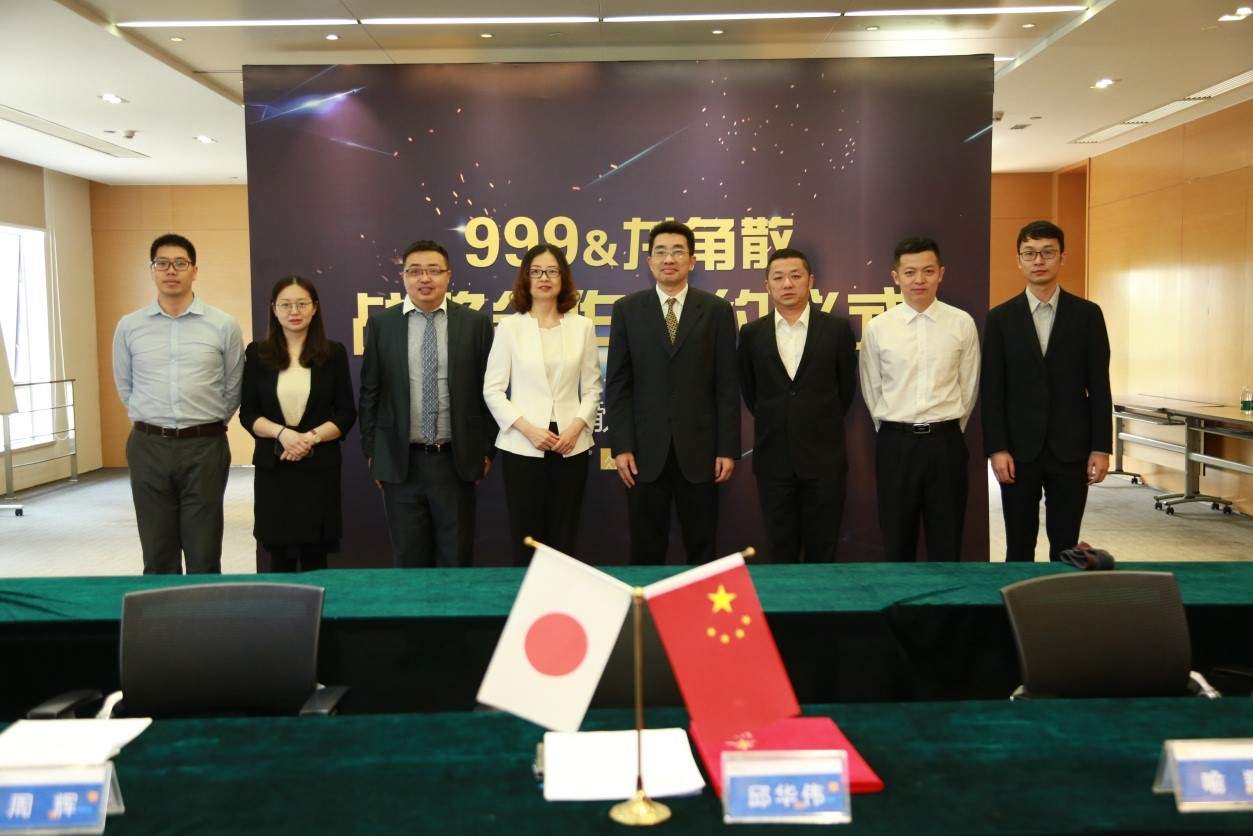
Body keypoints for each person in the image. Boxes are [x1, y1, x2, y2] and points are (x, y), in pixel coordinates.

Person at [606, 220, 740, 565]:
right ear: (649, 262)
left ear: (691, 261)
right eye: (661, 252)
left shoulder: (716, 310)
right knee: (645, 548)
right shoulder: (627, 310)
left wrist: (727, 448)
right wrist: (621, 446)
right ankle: (645, 602)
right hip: (644, 452)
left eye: (678, 251)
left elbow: (727, 385)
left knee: (702, 546)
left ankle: (702, 603)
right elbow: (618, 385)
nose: (669, 259)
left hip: (700, 449)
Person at [358, 239, 496, 568]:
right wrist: (373, 451)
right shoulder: (382, 324)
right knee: (409, 561)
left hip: (455, 461)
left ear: (448, 276)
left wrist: (486, 450)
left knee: (456, 559)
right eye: (415, 271)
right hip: (401, 461)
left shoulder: (475, 323)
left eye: (434, 270)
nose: (425, 278)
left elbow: (489, 392)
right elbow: (370, 393)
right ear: (403, 277)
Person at [112, 233, 244, 574]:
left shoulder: (223, 325)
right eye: (162, 263)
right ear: (152, 270)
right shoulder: (129, 326)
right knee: (157, 553)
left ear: (194, 270)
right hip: (148, 446)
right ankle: (161, 610)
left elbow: (233, 387)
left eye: (180, 263)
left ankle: (204, 610)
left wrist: (207, 422)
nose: (171, 271)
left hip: (205, 446)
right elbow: (126, 387)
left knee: (204, 551)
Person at [982, 220, 1112, 562]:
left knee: (1066, 544)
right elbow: (992, 390)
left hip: (1071, 449)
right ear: (1019, 260)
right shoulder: (1000, 318)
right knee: (1018, 545)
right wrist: (997, 448)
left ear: (1062, 257)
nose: (1038, 260)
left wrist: (1101, 447)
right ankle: (1017, 597)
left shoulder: (1087, 315)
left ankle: (1061, 597)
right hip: (1018, 452)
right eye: (1030, 253)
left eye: (1047, 252)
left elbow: (1100, 387)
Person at [859, 237, 979, 562]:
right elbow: (872, 388)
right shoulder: (878, 328)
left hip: (946, 444)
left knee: (947, 541)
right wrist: (893, 428)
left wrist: (947, 429)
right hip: (896, 445)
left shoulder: (962, 323)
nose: (919, 280)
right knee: (897, 542)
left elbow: (968, 387)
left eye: (928, 271)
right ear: (896, 277)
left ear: (941, 273)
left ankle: (945, 598)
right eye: (910, 272)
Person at [484, 244, 602, 566]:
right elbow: (493, 390)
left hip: (570, 445)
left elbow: (593, 388)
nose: (544, 278)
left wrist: (575, 428)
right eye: (535, 271)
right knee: (526, 534)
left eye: (552, 271)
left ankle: (560, 597)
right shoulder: (510, 327)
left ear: (563, 278)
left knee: (564, 533)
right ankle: (528, 595)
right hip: (523, 445)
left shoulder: (582, 327)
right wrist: (529, 429)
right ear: (526, 278)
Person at [738, 248, 857, 563]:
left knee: (823, 550)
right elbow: (750, 392)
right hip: (773, 459)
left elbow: (845, 391)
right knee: (781, 551)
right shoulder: (751, 334)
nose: (787, 284)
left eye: (795, 276)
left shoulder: (836, 329)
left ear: (810, 280)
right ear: (767, 285)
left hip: (824, 459)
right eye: (778, 278)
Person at [240, 275, 357, 572]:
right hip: (274, 468)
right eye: (285, 304)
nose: (294, 311)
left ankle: (318, 605)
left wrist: (308, 439)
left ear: (314, 308)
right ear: (274, 309)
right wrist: (283, 435)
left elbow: (345, 413)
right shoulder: (257, 353)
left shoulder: (333, 352)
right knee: (278, 558)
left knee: (316, 555)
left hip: (318, 469)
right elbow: (248, 414)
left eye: (302, 304)